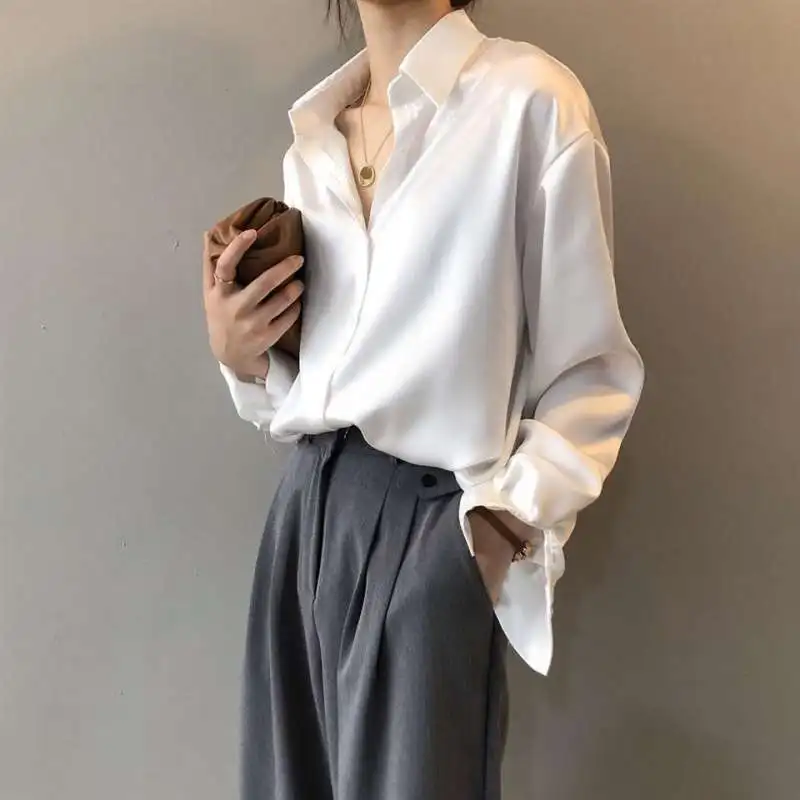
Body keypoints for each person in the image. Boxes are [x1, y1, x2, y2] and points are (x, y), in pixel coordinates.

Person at [202, 1, 644, 797]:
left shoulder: (530, 101)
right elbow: (322, 382)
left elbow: (591, 375)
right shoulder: (316, 140)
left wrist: (489, 537)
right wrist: (243, 356)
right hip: (304, 519)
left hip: (432, 529)